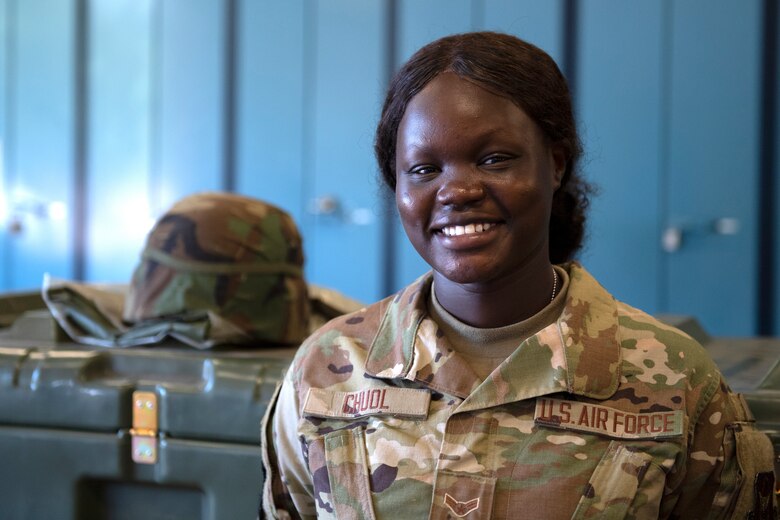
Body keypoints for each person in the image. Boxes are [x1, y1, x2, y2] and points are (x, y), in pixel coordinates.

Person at [260, 32, 777, 519]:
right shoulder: (327, 369)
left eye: (494, 159)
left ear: (555, 165)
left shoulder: (676, 380)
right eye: (424, 169)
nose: (457, 190)